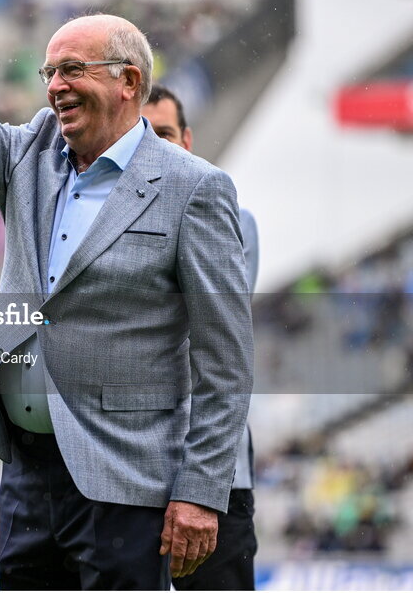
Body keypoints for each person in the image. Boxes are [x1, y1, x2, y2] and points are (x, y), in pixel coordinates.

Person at [0, 0, 254, 590]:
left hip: (126, 481)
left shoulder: (193, 188)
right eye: (49, 73)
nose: (56, 86)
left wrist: (203, 491)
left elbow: (223, 356)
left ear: (128, 82)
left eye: (73, 70)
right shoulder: (28, 154)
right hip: (28, 473)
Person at [143, 85, 259, 590]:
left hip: (215, 479)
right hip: (134, 472)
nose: (155, 147)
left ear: (187, 140)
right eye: (140, 136)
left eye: (164, 134)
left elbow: (204, 337)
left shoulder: (225, 214)